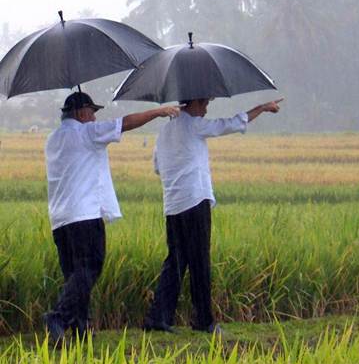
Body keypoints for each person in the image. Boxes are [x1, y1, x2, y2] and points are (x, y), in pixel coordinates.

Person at [43, 91, 180, 343]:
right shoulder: (87, 133)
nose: (95, 117)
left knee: (74, 274)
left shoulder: (53, 139)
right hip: (84, 214)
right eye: (93, 112)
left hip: (60, 219)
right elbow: (125, 123)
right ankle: (58, 317)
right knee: (89, 267)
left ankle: (80, 326)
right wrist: (158, 111)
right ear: (81, 112)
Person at [144, 97, 283, 334]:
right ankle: (204, 321)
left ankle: (158, 317)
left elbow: (158, 167)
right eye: (205, 102)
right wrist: (261, 107)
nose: (207, 107)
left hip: (173, 203)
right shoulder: (195, 125)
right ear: (194, 102)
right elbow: (228, 124)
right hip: (195, 200)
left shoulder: (165, 130)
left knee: (175, 261)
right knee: (199, 261)